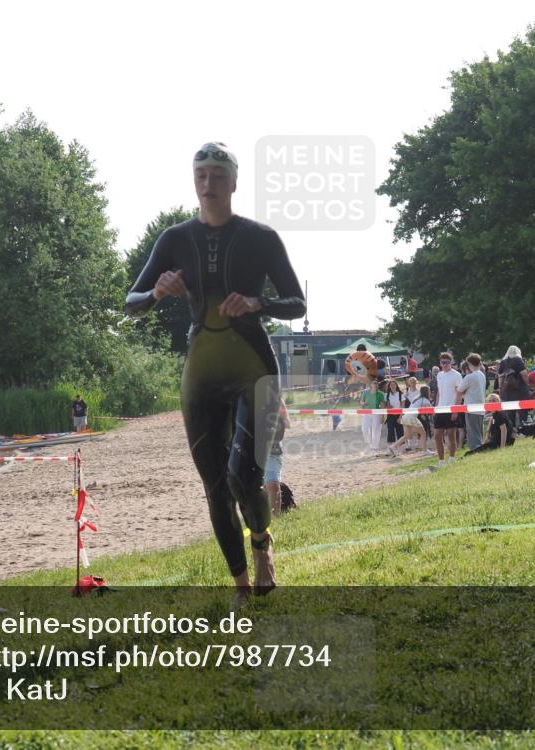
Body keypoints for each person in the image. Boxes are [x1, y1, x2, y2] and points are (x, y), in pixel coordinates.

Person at [124, 142, 305, 600]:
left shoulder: (261, 237)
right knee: (215, 485)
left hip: (253, 367)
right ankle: (241, 586)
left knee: (244, 477)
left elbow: (297, 302)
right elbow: (131, 303)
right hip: (201, 370)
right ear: (194, 181)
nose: (209, 184)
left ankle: (261, 542)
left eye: (218, 176)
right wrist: (157, 293)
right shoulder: (174, 239)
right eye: (201, 175)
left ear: (234, 183)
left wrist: (258, 302)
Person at [433, 352, 463, 467]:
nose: (445, 364)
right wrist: (436, 408)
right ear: (440, 363)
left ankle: (451, 458)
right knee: (437, 435)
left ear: (451, 363)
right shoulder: (439, 375)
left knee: (451, 434)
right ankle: (441, 461)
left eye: (447, 362)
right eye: (443, 362)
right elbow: (439, 393)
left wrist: (456, 410)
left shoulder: (456, 375)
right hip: (440, 409)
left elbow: (459, 394)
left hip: (451, 408)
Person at [390, 384, 432, 456]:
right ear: (427, 392)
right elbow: (431, 410)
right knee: (423, 433)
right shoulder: (425, 400)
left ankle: (393, 446)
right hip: (411, 418)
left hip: (406, 416)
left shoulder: (416, 398)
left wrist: (422, 413)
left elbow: (417, 407)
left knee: (407, 435)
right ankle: (425, 451)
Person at [456, 353, 487, 453]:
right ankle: (479, 450)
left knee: (473, 434)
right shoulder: (482, 375)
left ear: (469, 363)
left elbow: (459, 391)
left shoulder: (470, 377)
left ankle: (475, 452)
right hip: (480, 408)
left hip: (471, 409)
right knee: (478, 433)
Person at [265, 402, 291, 517]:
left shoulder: (277, 399)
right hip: (249, 448)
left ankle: (275, 519)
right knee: (261, 487)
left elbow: (287, 423)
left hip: (272, 448)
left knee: (272, 484)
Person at [497, 345, 531, 422]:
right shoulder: (518, 360)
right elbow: (524, 374)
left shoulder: (503, 362)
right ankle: (523, 426)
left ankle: (512, 427)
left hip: (507, 391)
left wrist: (501, 388)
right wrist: (528, 385)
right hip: (520, 389)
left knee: (510, 411)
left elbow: (500, 377)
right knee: (522, 410)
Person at [360, 379, 385, 452]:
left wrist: (382, 416)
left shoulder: (380, 394)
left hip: (376, 413)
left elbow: (382, 406)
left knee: (376, 430)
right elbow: (361, 401)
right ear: (371, 385)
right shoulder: (365, 392)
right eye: (374, 383)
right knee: (364, 429)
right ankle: (368, 443)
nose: (375, 384)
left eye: (377, 383)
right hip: (367, 412)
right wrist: (363, 404)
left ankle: (375, 447)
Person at [383, 378, 406, 447]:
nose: (393, 386)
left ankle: (401, 446)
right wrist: (387, 407)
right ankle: (391, 446)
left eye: (394, 385)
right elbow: (383, 406)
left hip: (399, 415)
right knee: (390, 430)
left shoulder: (400, 394)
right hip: (390, 415)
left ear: (396, 386)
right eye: (391, 385)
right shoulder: (386, 395)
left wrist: (400, 417)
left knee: (400, 431)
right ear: (389, 386)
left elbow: (403, 407)